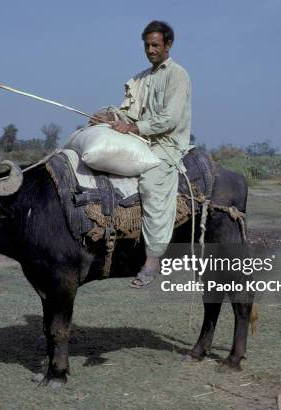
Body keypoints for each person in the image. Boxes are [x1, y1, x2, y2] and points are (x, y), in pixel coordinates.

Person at [93, 20, 192, 288]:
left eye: (155, 45)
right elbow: (129, 112)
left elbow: (169, 119)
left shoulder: (177, 75)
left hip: (166, 145)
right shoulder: (141, 78)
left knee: (152, 185)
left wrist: (133, 126)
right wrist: (109, 116)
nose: (150, 50)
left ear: (168, 45)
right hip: (141, 140)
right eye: (147, 45)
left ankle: (152, 260)